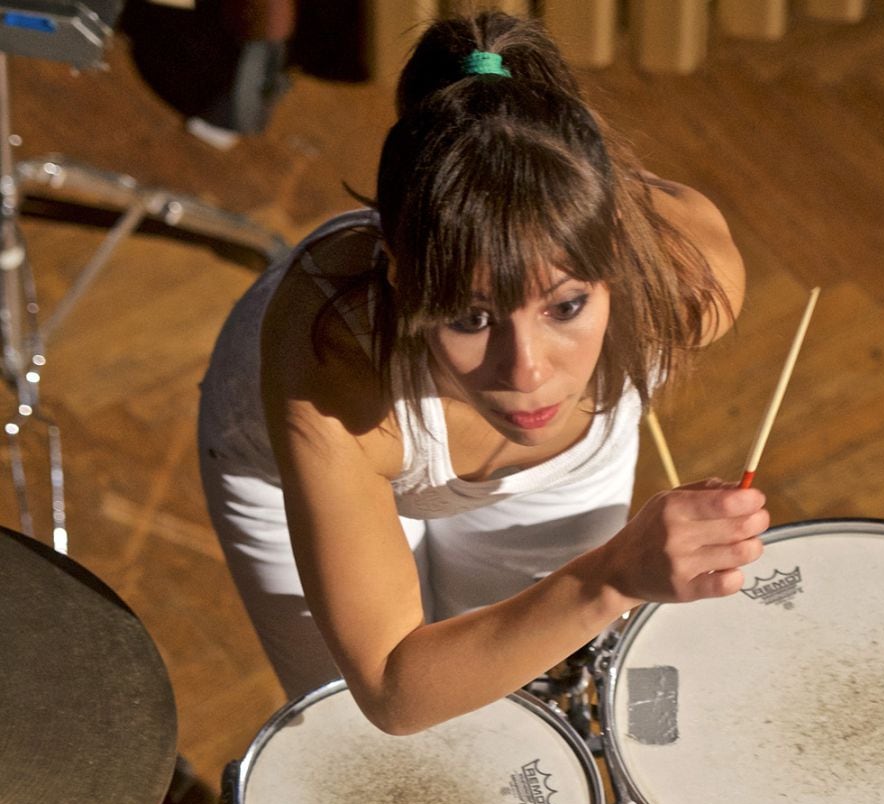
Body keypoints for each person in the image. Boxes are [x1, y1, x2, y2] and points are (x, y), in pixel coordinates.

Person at [198, 11, 769, 734]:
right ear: (402, 281)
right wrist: (614, 573)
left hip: (559, 471)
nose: (526, 374)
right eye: (469, 318)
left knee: (528, 693)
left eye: (565, 306)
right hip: (290, 464)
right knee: (356, 738)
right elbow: (393, 691)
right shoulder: (329, 360)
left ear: (615, 261)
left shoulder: (687, 288)